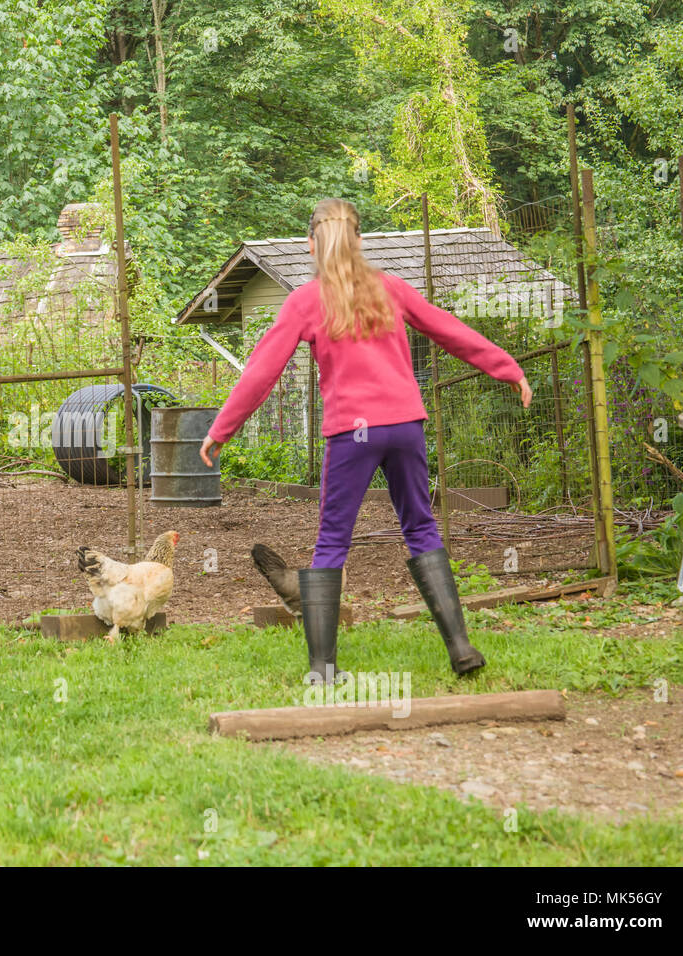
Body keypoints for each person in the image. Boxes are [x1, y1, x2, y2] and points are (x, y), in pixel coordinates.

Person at [200, 198, 532, 683]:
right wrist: (509, 369)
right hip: (405, 427)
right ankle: (460, 648)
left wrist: (220, 430)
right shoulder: (391, 289)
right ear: (359, 241)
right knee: (421, 529)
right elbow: (450, 330)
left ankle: (323, 669)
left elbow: (261, 373)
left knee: (332, 541)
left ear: (312, 245)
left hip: (350, 434)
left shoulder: (305, 301)